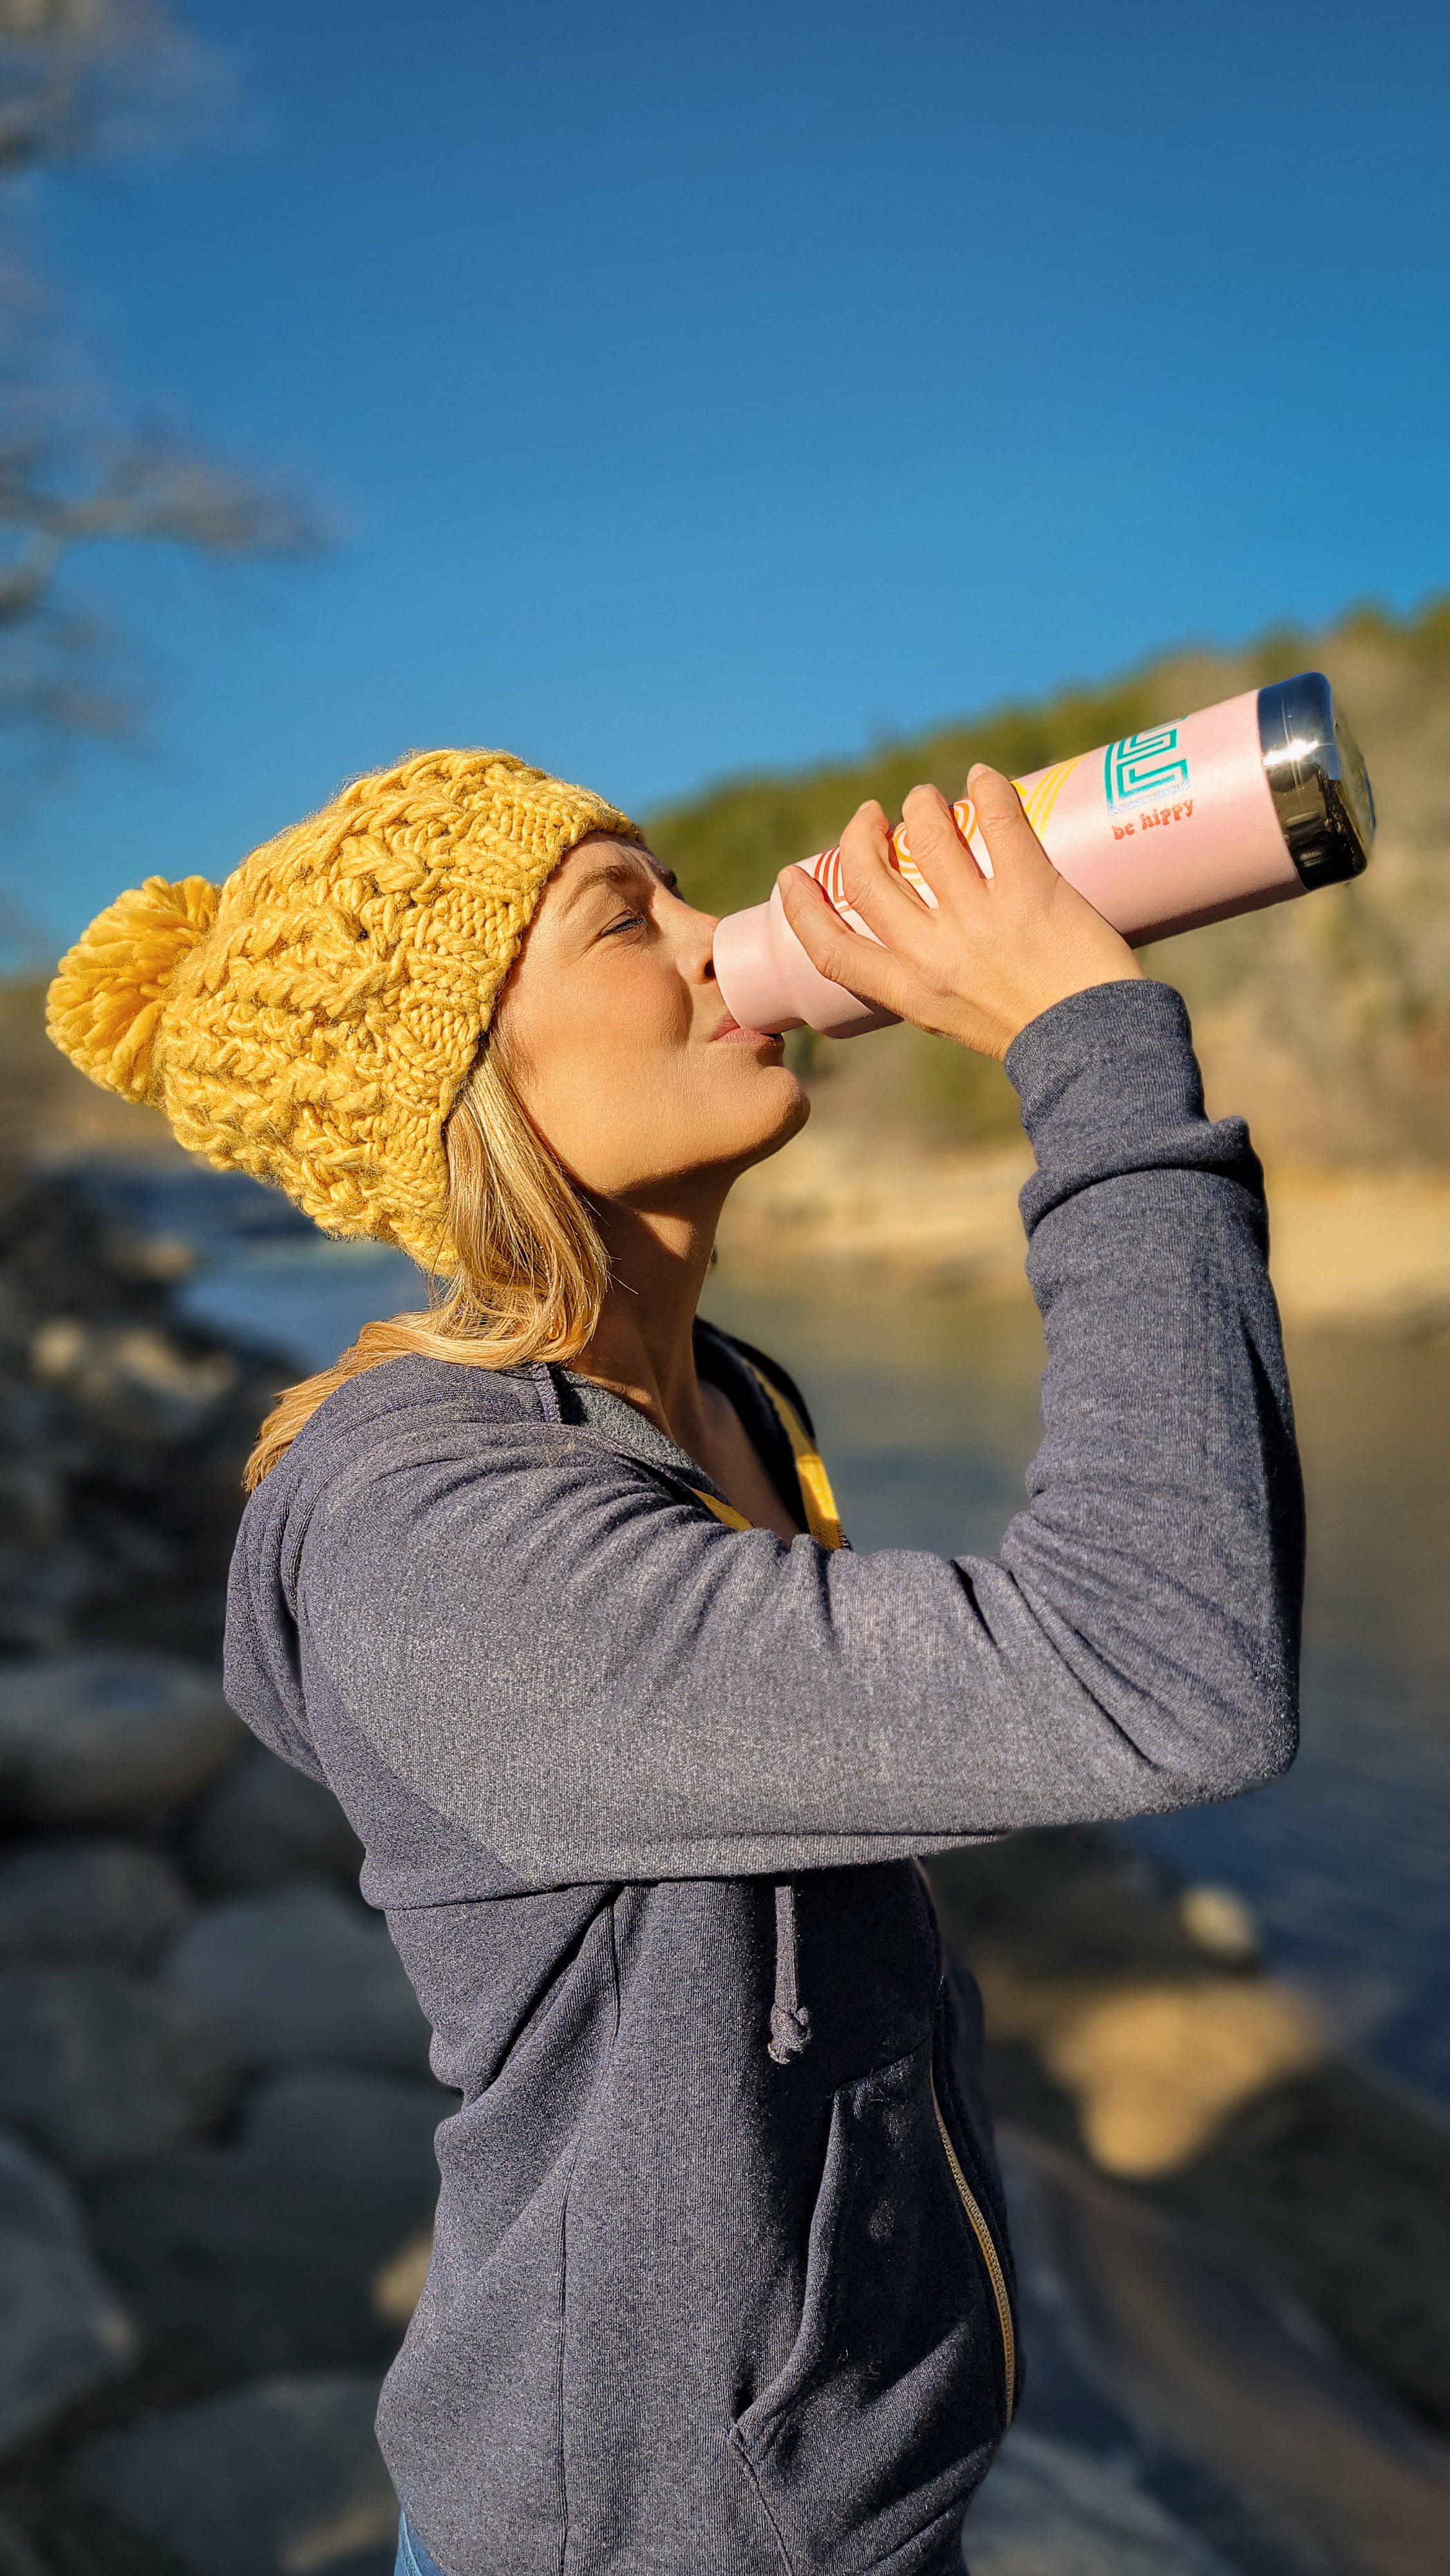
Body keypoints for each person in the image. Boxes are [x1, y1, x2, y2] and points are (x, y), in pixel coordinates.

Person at [48, 748, 1303, 2576]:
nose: (723, 941)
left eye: (681, 892)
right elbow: (1160, 1668)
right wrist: (1087, 1049)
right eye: (622, 922)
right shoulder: (432, 1535)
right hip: (652, 2535)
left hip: (855, 2494)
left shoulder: (714, 1399)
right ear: (464, 1077)